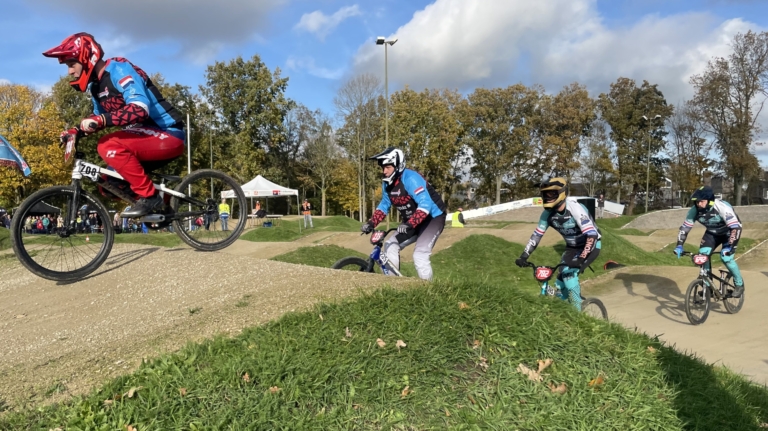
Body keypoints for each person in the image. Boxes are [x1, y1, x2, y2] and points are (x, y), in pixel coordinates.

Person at [43, 33, 185, 218]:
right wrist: (76, 131)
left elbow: (140, 109)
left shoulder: (119, 69)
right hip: (144, 136)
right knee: (109, 183)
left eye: (71, 64)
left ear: (86, 58)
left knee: (108, 145)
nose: (69, 71)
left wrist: (101, 120)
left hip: (168, 133)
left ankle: (149, 196)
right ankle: (161, 205)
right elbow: (98, 118)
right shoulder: (96, 87)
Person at [515, 177, 601, 311]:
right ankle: (565, 309)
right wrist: (524, 256)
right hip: (571, 248)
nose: (547, 197)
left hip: (590, 246)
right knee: (560, 285)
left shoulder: (574, 208)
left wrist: (581, 258)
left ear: (562, 193)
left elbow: (592, 235)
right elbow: (537, 235)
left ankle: (578, 318)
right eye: (545, 194)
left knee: (570, 277)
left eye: (551, 194)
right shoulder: (547, 214)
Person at [360, 147, 447, 281]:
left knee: (420, 254)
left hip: (432, 218)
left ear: (398, 165)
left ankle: (428, 291)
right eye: (383, 167)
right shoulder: (387, 184)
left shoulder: (411, 178)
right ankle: (395, 284)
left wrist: (410, 224)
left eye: (388, 167)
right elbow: (384, 205)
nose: (384, 171)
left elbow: (425, 204)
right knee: (390, 245)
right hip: (412, 221)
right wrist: (371, 223)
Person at [674, 186, 744, 298]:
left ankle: (739, 284)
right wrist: (679, 246)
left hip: (729, 233)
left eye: (701, 201)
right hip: (712, 233)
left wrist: (729, 247)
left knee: (726, 257)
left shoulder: (721, 207)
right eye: (696, 202)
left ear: (710, 201)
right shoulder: (694, 210)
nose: (698, 204)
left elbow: (735, 228)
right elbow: (685, 228)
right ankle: (708, 288)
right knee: (703, 256)